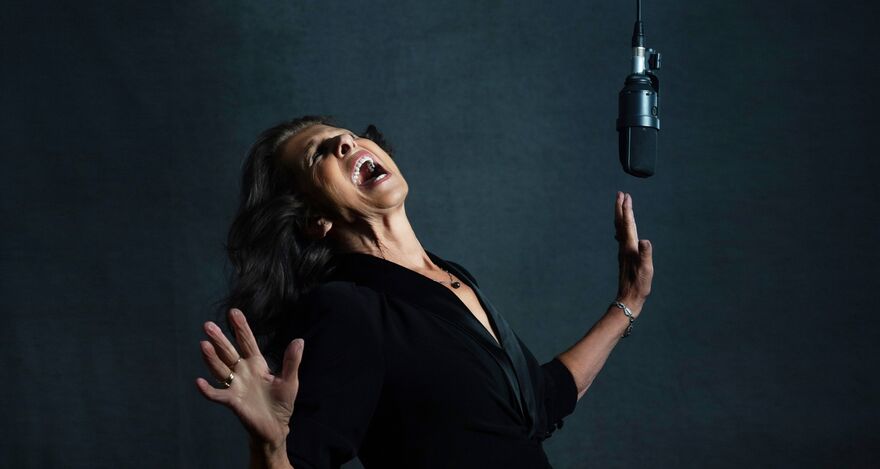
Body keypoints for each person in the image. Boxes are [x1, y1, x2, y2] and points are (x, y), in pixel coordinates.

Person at [195, 116, 654, 469]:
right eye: (320, 154)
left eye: (350, 135)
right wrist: (270, 446)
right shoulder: (348, 309)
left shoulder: (453, 278)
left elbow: (540, 404)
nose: (346, 142)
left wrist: (627, 303)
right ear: (316, 220)